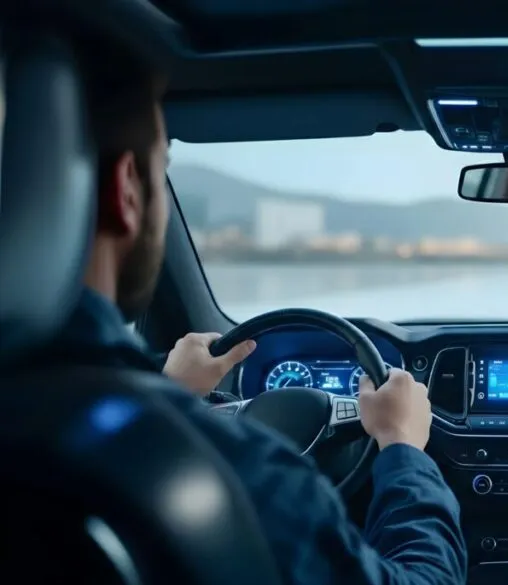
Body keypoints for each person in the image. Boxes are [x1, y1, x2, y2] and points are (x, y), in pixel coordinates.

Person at [54, 56, 467, 585]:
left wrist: (166, 392)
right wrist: (403, 447)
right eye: (164, 165)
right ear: (127, 188)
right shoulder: (249, 478)